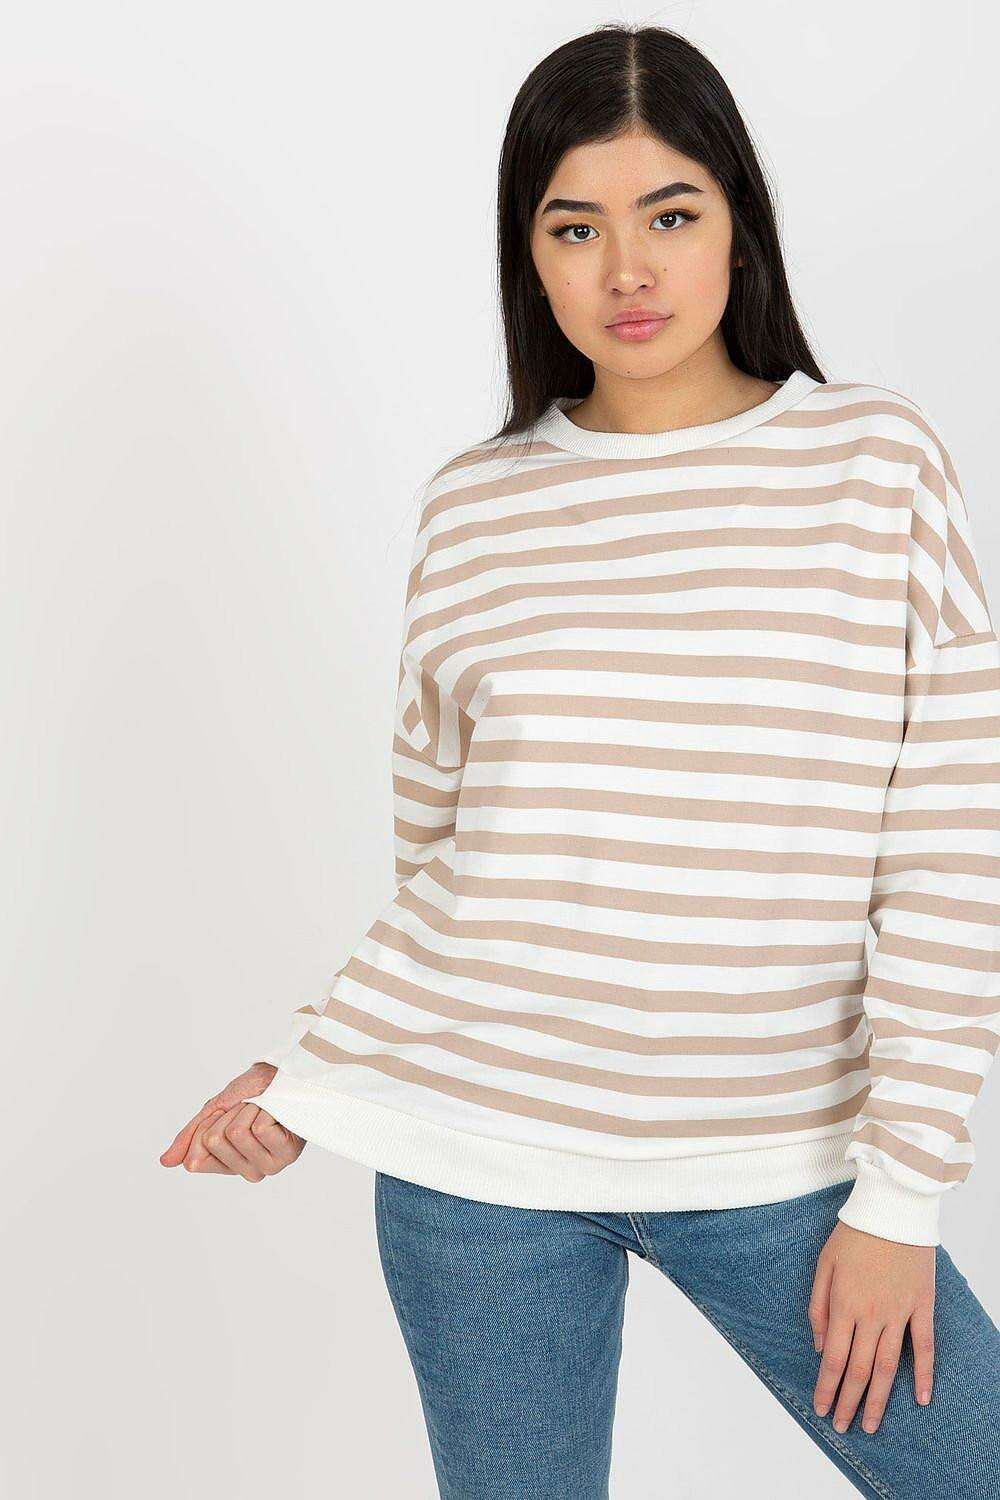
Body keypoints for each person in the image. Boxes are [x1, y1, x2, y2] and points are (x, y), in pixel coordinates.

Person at [160, 22, 1000, 1498]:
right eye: (574, 227)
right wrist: (321, 1067)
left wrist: (901, 1198)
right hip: (476, 1169)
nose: (627, 270)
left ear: (737, 228)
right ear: (529, 255)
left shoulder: (875, 465)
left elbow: (950, 853)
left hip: (787, 1162)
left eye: (670, 215)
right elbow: (460, 872)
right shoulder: (475, 508)